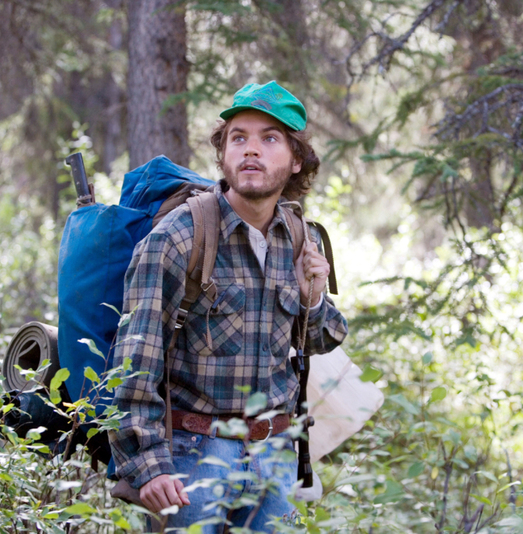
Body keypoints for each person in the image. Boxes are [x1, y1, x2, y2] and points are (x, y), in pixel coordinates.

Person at [108, 81, 348, 533]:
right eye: (238, 137)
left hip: (274, 457)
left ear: (296, 159)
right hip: (193, 457)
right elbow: (133, 363)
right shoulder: (180, 237)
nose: (250, 150)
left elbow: (324, 338)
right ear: (223, 153)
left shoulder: (300, 237)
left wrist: (313, 298)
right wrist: (149, 465)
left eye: (269, 138)